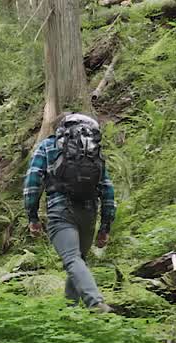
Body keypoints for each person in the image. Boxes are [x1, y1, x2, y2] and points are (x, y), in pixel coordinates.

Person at [24, 113, 117, 313]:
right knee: (77, 262)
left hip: (61, 209)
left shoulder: (48, 146)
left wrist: (32, 217)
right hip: (89, 212)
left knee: (72, 260)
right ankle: (70, 313)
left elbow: (32, 182)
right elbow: (107, 188)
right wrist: (105, 226)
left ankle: (96, 303)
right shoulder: (93, 151)